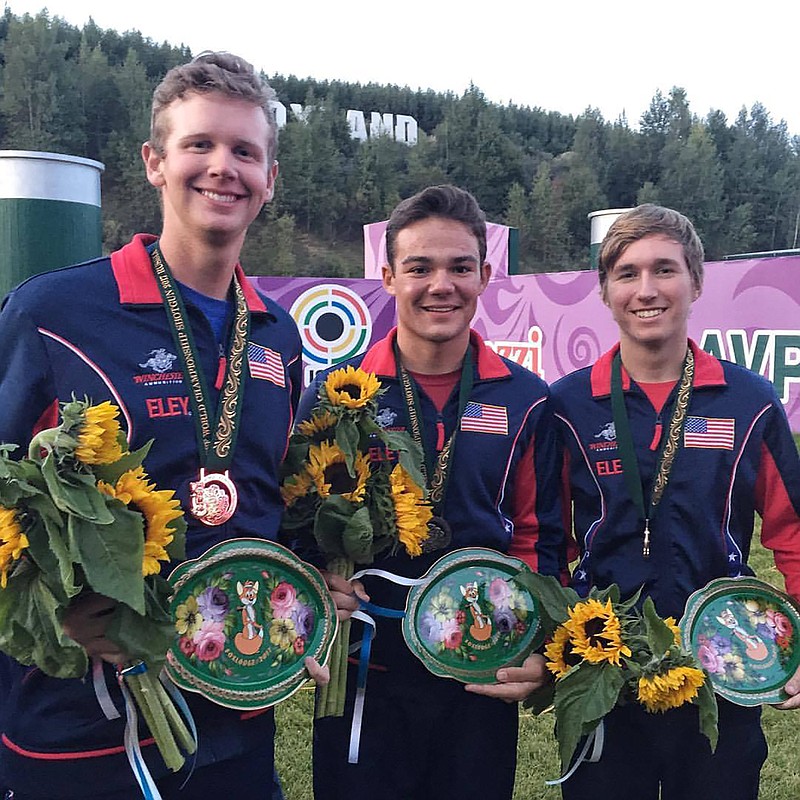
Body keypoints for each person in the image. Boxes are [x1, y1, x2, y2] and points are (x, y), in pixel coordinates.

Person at [0, 51, 355, 800]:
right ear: (155, 162)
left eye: (245, 152)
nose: (223, 168)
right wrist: (55, 614)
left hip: (235, 716)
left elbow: (266, 503)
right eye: (200, 145)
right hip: (80, 729)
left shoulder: (277, 338)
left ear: (269, 181)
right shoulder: (53, 315)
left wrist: (309, 599)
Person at [298, 184, 569, 800]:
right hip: (365, 673)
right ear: (389, 276)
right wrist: (317, 577)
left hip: (478, 666)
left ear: (486, 276)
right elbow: (298, 522)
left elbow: (539, 536)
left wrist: (531, 640)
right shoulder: (339, 395)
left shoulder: (525, 400)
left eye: (459, 267)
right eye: (419, 268)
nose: (439, 284)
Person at [550, 204, 800, 800]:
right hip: (601, 664)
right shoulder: (568, 405)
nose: (646, 290)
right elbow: (546, 537)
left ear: (696, 280)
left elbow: (792, 530)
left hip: (725, 659)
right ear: (605, 290)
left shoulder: (749, 400)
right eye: (627, 273)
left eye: (665, 269)